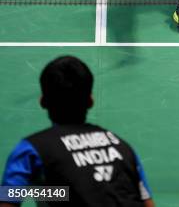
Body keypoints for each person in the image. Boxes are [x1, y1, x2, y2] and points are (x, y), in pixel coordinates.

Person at [0, 56, 154, 207]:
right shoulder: (124, 149)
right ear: (90, 101)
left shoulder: (30, 152)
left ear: (43, 102)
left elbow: (9, 199)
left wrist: (39, 192)